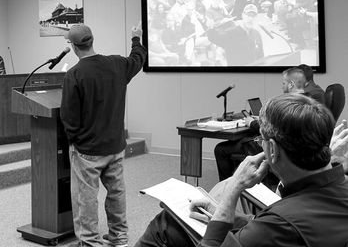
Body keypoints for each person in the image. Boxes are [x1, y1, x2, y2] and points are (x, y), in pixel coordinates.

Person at [136, 93, 348, 247]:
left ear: (272, 149)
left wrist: (234, 187)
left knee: (165, 224)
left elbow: (269, 229)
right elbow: (265, 225)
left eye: (261, 140)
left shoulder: (279, 225)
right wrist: (216, 212)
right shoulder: (337, 189)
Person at [60, 24, 146, 247]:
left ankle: (89, 242)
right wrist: (136, 38)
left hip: (88, 151)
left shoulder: (74, 74)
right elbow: (138, 58)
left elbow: (69, 118)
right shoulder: (118, 64)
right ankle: (119, 238)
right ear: (92, 40)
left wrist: (75, 142)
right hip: (115, 146)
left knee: (85, 198)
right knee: (116, 193)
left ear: (73, 46)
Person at [214, 67, 322, 182]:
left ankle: (227, 186)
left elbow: (271, 131)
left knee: (221, 149)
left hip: (276, 147)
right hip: (298, 148)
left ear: (291, 84)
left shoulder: (287, 103)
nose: (282, 86)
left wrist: (253, 123)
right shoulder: (309, 101)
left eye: (283, 83)